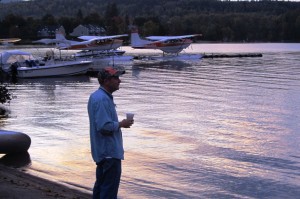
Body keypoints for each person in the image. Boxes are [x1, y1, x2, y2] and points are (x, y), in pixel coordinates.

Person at [87, 66, 134, 199]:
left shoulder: (97, 96)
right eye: (116, 78)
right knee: (108, 189)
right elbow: (103, 126)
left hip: (101, 151)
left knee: (101, 186)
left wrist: (119, 124)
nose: (119, 81)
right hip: (109, 152)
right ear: (106, 81)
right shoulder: (102, 99)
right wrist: (121, 124)